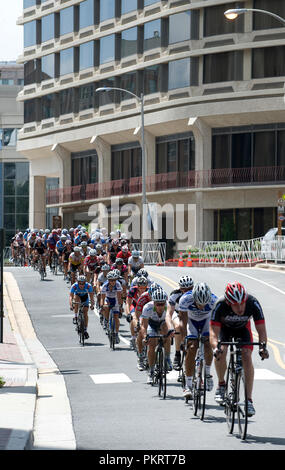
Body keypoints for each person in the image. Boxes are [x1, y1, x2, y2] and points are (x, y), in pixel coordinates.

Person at [210, 281, 269, 417]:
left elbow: (261, 330)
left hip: (243, 330)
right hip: (225, 330)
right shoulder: (220, 304)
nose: (241, 307)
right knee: (222, 350)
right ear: (229, 303)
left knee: (247, 355)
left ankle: (248, 401)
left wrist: (263, 347)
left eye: (242, 302)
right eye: (236, 304)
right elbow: (213, 333)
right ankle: (221, 385)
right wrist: (215, 348)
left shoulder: (252, 302)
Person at [179, 282, 217, 399]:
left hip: (207, 320)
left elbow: (216, 324)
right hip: (192, 320)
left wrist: (213, 339)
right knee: (191, 347)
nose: (201, 306)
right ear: (193, 298)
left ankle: (207, 373)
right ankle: (188, 385)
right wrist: (183, 340)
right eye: (199, 303)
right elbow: (183, 322)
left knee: (207, 343)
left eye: (203, 304)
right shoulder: (185, 299)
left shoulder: (214, 301)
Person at [140, 288, 175, 384]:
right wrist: (145, 336)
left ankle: (167, 358)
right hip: (152, 324)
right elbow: (144, 325)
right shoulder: (147, 307)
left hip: (163, 323)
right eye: (158, 304)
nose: (160, 306)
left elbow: (170, 321)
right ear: (153, 303)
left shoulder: (168, 306)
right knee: (151, 345)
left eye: (162, 304)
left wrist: (171, 330)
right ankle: (151, 371)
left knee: (166, 332)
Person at [167, 275, 194, 371]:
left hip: (189, 314)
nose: (186, 291)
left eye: (189, 289)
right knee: (178, 326)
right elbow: (169, 313)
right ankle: (177, 355)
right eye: (183, 289)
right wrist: (170, 327)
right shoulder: (175, 293)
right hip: (177, 312)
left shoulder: (195, 293)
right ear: (180, 288)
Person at [100, 270, 123, 344]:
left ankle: (116, 334)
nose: (113, 282)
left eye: (114, 280)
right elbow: (102, 298)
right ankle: (106, 319)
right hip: (108, 299)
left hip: (115, 299)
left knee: (116, 317)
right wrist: (101, 306)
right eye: (111, 280)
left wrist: (120, 306)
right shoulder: (104, 285)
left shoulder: (118, 285)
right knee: (105, 307)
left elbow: (119, 297)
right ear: (108, 280)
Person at [69, 275, 94, 339]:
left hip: (85, 298)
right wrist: (71, 305)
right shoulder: (74, 286)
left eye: (83, 283)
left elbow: (91, 296)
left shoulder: (88, 286)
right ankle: (76, 316)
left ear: (85, 283)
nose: (81, 285)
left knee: (85, 312)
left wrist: (92, 305)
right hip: (77, 297)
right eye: (80, 283)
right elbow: (71, 296)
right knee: (76, 299)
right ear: (77, 282)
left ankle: (85, 329)